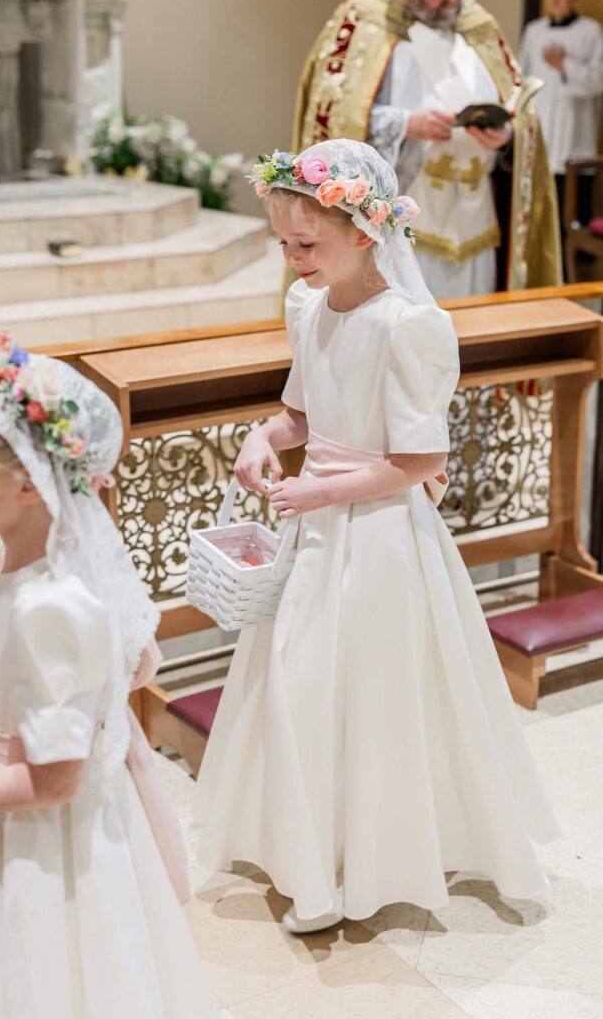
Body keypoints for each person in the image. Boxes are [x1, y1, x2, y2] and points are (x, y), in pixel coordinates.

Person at [194, 139, 559, 934]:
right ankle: (309, 858)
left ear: (366, 231)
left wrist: (319, 487)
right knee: (296, 686)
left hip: (381, 539)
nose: (293, 261)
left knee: (371, 693)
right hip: (313, 525)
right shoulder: (308, 307)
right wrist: (265, 436)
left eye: (307, 244)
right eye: (284, 244)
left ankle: (367, 864)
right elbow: (302, 411)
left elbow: (418, 460)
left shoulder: (409, 326)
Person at [0, 335, 217, 1018]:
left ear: (28, 481)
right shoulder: (8, 562)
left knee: (40, 976)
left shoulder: (56, 610)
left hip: (40, 839)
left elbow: (57, 779)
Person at [291, 0, 562, 298]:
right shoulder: (366, 21)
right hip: (402, 205)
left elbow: (522, 112)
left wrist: (508, 135)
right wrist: (408, 124)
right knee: (407, 312)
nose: (441, 2)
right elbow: (338, 115)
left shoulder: (478, 26)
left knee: (476, 310)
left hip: (477, 212)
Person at [520, 0, 603, 269]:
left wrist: (564, 65)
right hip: (543, 132)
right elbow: (522, 80)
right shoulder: (534, 32)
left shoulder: (590, 31)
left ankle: (573, 276)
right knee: (539, 215)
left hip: (575, 136)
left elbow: (598, 81)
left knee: (574, 214)